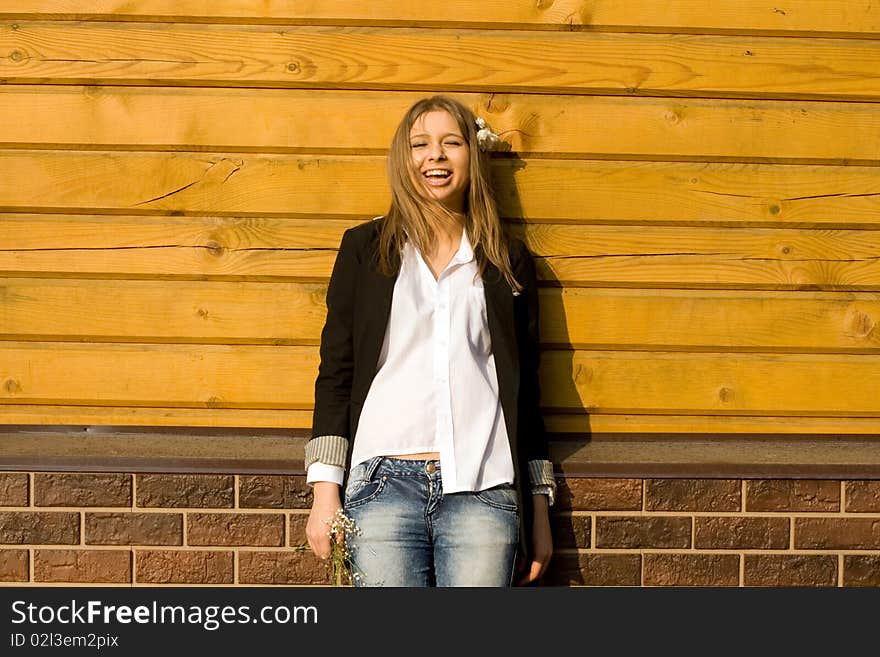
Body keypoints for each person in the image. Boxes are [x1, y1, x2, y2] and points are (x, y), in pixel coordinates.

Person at [304, 95, 555, 586]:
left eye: (450, 143)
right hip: (380, 489)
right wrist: (324, 492)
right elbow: (336, 372)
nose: (435, 156)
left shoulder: (507, 262)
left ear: (472, 157)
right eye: (420, 144)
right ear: (404, 159)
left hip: (484, 490)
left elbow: (527, 393)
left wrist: (539, 510)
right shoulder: (364, 250)